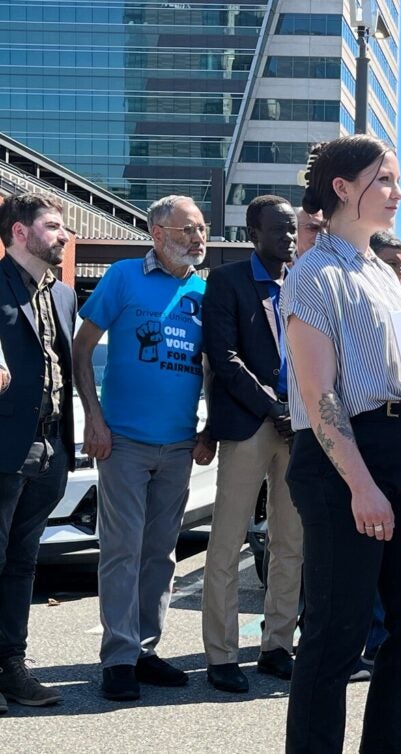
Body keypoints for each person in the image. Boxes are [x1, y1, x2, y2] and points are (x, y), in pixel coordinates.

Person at [281, 135, 401, 753]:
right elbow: (319, 395)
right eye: (385, 181)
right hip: (342, 461)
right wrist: (361, 484)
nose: (398, 193)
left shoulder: (381, 271)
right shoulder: (312, 274)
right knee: (335, 634)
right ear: (343, 189)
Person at [73, 195, 216, 702]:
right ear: (157, 233)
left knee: (160, 552)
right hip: (124, 442)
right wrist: (94, 417)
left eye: (201, 229)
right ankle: (117, 658)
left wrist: (209, 430)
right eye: (187, 230)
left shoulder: (205, 289)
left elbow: (215, 366)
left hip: (178, 444)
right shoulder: (123, 276)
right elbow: (83, 346)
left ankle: (145, 650)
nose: (198, 239)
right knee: (122, 550)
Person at [200, 195, 303, 693]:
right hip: (250, 423)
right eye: (279, 229)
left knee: (291, 543)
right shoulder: (226, 281)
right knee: (227, 541)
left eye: (293, 229)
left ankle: (276, 646)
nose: (288, 237)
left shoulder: (303, 283)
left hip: (298, 426)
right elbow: (223, 356)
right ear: (252, 232)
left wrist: (298, 412)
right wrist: (273, 408)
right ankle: (221, 656)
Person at [0, 192, 75, 710]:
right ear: (20, 233)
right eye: (52, 225)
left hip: (48, 450)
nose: (64, 234)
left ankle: (11, 667)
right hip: (3, 447)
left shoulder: (64, 295)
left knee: (23, 564)